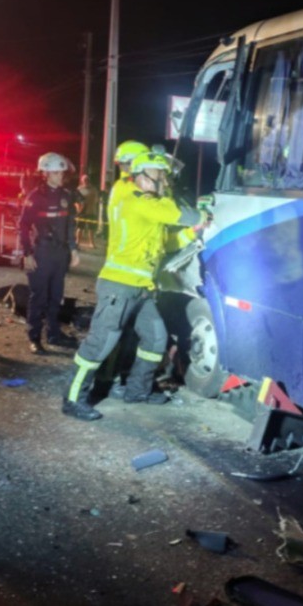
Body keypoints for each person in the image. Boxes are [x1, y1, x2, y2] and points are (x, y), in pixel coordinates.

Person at [61, 145, 207, 420]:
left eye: (163, 175)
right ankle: (72, 398)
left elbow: (170, 241)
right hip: (119, 287)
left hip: (142, 289)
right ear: (139, 176)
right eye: (158, 174)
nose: (163, 179)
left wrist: (193, 233)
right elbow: (178, 213)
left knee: (155, 339)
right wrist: (201, 214)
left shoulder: (150, 207)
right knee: (100, 344)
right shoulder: (136, 199)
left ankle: (137, 391)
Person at [20, 152, 82, 354]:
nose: (59, 176)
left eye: (61, 172)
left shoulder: (66, 195)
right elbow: (23, 225)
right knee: (39, 297)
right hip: (42, 252)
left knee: (56, 297)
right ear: (45, 173)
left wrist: (73, 250)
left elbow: (70, 225)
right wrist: (27, 253)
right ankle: (35, 338)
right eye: (55, 172)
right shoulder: (35, 196)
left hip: (60, 252)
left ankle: (54, 333)